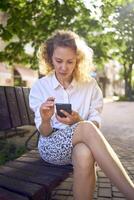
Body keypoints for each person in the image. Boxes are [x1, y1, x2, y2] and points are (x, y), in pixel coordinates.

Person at [29, 30, 134, 200]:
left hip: (83, 142)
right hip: (50, 144)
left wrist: (77, 120)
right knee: (86, 127)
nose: (64, 67)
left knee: (85, 152)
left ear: (78, 60)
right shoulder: (40, 86)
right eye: (58, 61)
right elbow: (45, 132)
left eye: (70, 61)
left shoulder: (90, 85)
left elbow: (95, 124)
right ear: (50, 59)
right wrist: (46, 119)